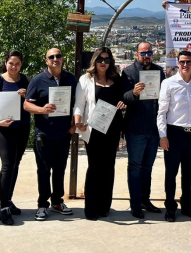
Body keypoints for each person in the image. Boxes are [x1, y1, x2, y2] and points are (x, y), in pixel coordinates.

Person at [24, 47, 77, 221]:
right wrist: (42, 109)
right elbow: (26, 105)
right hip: (44, 134)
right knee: (44, 170)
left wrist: (74, 124)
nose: (55, 59)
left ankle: (57, 201)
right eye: (51, 57)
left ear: (62, 59)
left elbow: (78, 103)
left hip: (63, 133)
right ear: (46, 61)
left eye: (58, 56)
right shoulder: (37, 80)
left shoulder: (71, 79)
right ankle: (42, 204)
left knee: (60, 169)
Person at [74, 47, 126, 220]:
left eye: (107, 59)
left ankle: (104, 206)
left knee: (109, 168)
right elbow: (79, 104)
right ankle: (91, 208)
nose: (103, 63)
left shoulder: (116, 79)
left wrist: (123, 104)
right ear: (94, 61)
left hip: (112, 129)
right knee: (95, 168)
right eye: (100, 59)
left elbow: (122, 99)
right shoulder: (85, 79)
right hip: (94, 130)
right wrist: (77, 122)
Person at [0, 50, 31, 225]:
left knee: (15, 164)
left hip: (22, 127)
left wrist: (27, 96)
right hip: (3, 129)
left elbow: (34, 103)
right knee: (7, 166)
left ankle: (8, 200)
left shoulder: (26, 80)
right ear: (6, 63)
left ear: (21, 64)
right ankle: (3, 208)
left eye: (17, 64)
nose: (14, 67)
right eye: (11, 63)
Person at [157, 50, 191, 222]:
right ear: (177, 64)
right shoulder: (168, 83)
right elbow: (161, 112)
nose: (185, 65)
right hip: (174, 134)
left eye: (188, 62)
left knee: (189, 174)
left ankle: (187, 206)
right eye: (182, 62)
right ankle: (170, 207)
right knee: (171, 173)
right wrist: (163, 135)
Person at [122, 41, 166, 218]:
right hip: (136, 129)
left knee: (148, 167)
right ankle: (135, 204)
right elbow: (123, 98)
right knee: (135, 167)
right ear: (137, 54)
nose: (146, 56)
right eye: (143, 53)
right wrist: (133, 93)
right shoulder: (128, 72)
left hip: (154, 129)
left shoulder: (159, 71)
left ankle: (145, 200)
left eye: (149, 53)